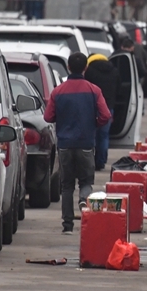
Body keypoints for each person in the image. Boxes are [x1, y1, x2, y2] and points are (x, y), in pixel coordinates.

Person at [44, 52, 112, 234]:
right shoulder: (93, 90)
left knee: (66, 186)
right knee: (86, 180)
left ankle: (67, 225)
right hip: (86, 143)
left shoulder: (58, 92)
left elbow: (48, 116)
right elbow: (106, 115)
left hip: (65, 144)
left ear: (68, 68)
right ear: (85, 68)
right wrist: (93, 124)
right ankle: (84, 199)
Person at [84, 54, 119, 171]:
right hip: (108, 107)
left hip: (91, 107)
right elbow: (119, 88)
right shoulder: (114, 71)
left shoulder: (89, 71)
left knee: (91, 135)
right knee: (104, 136)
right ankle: (101, 162)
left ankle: (90, 161)